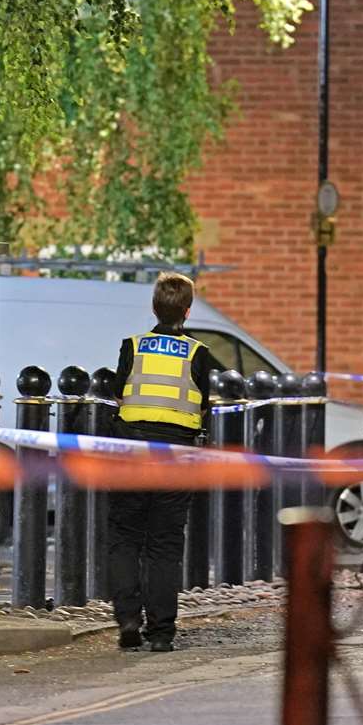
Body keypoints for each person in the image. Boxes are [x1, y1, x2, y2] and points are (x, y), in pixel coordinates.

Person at [109, 272, 226, 652]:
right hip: (176, 456)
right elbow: (203, 404)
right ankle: (161, 633)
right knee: (164, 545)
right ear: (187, 312)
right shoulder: (198, 354)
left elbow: (118, 395)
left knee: (126, 538)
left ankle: (128, 618)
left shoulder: (132, 346)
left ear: (153, 307)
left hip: (131, 454)